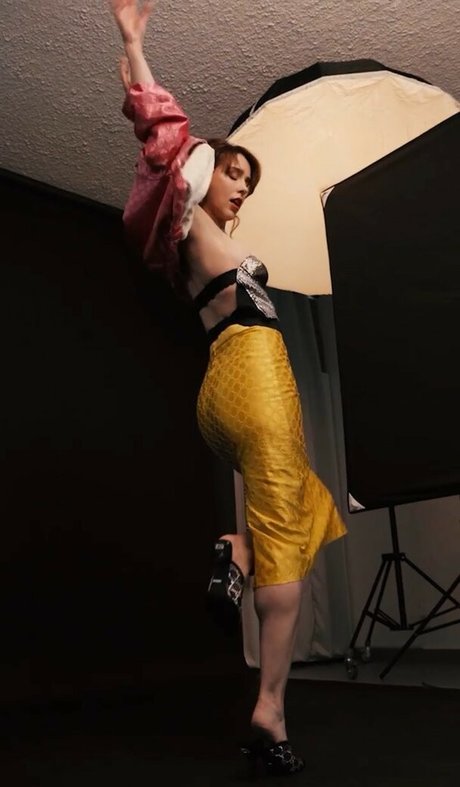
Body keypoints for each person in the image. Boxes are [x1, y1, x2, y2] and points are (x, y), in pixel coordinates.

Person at [110, 0, 346, 776]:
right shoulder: (189, 221)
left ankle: (235, 548)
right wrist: (134, 46)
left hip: (229, 391)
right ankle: (270, 712)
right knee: (289, 546)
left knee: (300, 505)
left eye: (249, 181)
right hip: (252, 376)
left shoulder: (203, 244)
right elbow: (163, 141)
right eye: (232, 173)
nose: (241, 187)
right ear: (203, 174)